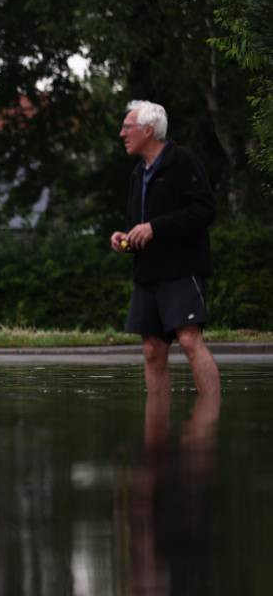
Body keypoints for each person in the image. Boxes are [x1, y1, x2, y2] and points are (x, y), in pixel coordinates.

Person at [110, 100, 220, 397]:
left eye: (127, 127)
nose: (122, 133)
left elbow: (205, 210)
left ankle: (210, 416)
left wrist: (155, 228)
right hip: (149, 272)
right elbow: (142, 226)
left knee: (188, 339)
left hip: (181, 269)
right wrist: (127, 238)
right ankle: (156, 433)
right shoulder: (138, 173)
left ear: (148, 129)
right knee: (152, 348)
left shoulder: (183, 161)